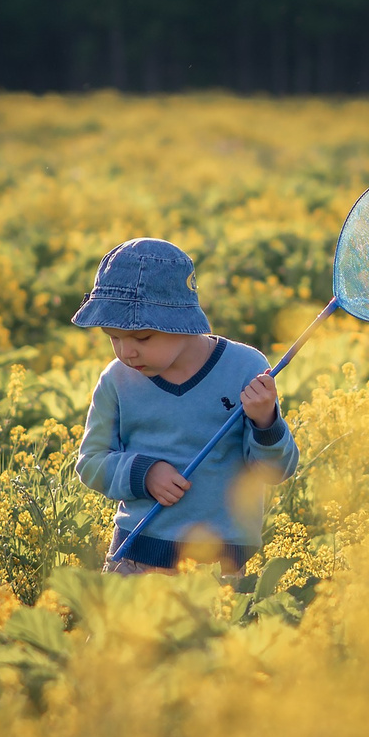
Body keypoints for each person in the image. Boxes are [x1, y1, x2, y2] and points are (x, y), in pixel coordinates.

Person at [71, 238, 299, 574]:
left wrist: (266, 421)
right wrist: (144, 474)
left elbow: (276, 472)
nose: (125, 352)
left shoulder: (245, 367)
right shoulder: (116, 380)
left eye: (142, 338)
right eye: (113, 336)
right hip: (136, 557)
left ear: (182, 323)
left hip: (220, 566)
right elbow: (90, 462)